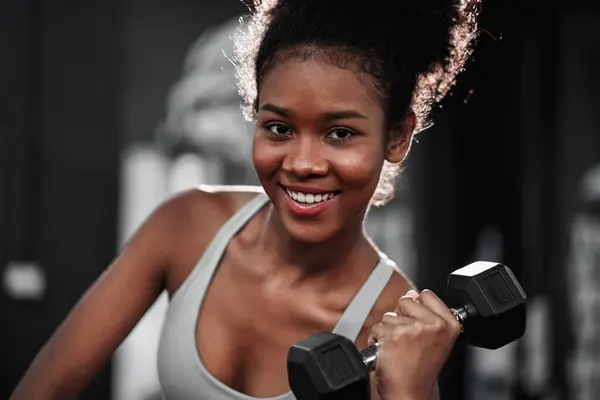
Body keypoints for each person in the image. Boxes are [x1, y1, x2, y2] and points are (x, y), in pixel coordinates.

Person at [11, 0, 480, 399]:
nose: (301, 163)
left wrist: (410, 394)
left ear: (397, 137)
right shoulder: (188, 225)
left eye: (340, 133)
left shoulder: (394, 326)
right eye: (278, 128)